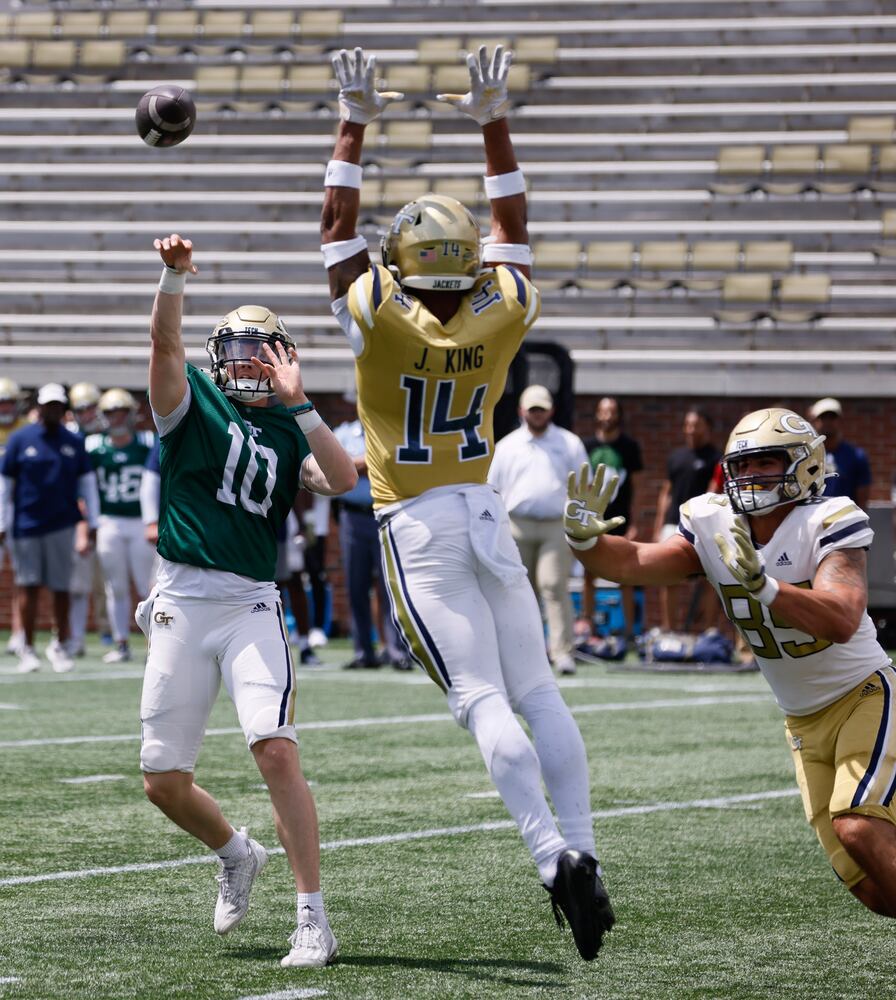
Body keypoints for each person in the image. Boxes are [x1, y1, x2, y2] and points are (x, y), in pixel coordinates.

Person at [320, 45, 614, 960]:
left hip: (416, 520)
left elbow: (336, 226)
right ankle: (589, 849)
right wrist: (493, 119)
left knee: (482, 697)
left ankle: (550, 859)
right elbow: (515, 230)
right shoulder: (502, 309)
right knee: (539, 690)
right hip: (485, 513)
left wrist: (354, 120)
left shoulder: (378, 309)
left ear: (402, 262)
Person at [565, 407, 896, 917]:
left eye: (765, 462)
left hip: (863, 695)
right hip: (802, 719)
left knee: (859, 827)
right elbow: (634, 562)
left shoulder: (830, 518)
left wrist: (764, 586)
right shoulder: (713, 519)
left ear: (805, 465)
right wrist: (585, 542)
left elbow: (841, 618)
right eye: (741, 466)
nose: (749, 476)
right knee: (872, 890)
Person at [141, 232, 357, 968]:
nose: (248, 364)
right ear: (218, 358)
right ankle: (237, 854)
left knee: (274, 748)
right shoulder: (191, 400)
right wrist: (172, 277)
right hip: (179, 599)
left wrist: (301, 407)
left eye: (263, 352)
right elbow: (164, 351)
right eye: (236, 352)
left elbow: (343, 478)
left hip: (250, 605)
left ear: (284, 358)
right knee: (163, 781)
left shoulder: (289, 424)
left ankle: (313, 919)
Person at [488, 384, 587, 675]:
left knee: (553, 586)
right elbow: (492, 489)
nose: (537, 414)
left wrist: (578, 524)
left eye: (542, 409)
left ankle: (562, 652)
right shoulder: (507, 446)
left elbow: (583, 485)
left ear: (551, 411)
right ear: (522, 411)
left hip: (556, 525)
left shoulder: (569, 443)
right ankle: (523, 654)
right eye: (532, 409)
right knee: (519, 592)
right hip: (516, 525)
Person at [0, 383, 99, 673]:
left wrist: (91, 522)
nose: (53, 410)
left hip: (61, 524)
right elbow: (5, 485)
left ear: (63, 408)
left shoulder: (73, 442)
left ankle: (61, 644)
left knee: (60, 588)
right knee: (27, 587)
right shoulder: (20, 439)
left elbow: (88, 485)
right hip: (26, 525)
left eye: (58, 405)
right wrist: (2, 521)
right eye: (48, 405)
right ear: (40, 407)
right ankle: (27, 647)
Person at [332, 397, 408, 670]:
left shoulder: (390, 433)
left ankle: (396, 651)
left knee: (390, 586)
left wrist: (358, 465)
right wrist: (369, 462)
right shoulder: (342, 434)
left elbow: (396, 467)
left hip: (385, 513)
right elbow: (337, 469)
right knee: (355, 586)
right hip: (353, 515)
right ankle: (364, 651)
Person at [86, 388, 157, 664]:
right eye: (110, 413)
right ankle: (121, 642)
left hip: (140, 522)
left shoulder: (146, 442)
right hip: (110, 521)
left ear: (131, 414)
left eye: (121, 412)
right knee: (115, 587)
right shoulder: (93, 446)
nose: (116, 418)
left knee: (147, 585)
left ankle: (157, 643)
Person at [582, 396, 644, 647]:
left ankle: (629, 632)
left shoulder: (629, 447)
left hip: (621, 519)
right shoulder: (584, 445)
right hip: (592, 517)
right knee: (589, 573)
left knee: (625, 575)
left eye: (611, 411)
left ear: (618, 415)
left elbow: (638, 487)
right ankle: (587, 627)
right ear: (596, 414)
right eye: (602, 411)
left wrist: (636, 521)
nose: (607, 415)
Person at [653, 407, 720, 631]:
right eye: (688, 425)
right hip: (673, 524)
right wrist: (658, 526)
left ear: (707, 428)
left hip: (703, 526)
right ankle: (669, 630)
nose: (691, 430)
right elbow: (667, 492)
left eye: (696, 425)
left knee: (709, 580)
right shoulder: (676, 457)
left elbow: (715, 492)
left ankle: (708, 632)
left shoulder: (715, 458)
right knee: (668, 579)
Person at [0, 378, 28, 656]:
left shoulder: (26, 431)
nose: (5, 408)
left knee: (22, 576)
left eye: (8, 402)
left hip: (20, 509)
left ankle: (19, 632)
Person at [809, 397, 872, 509]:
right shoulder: (808, 456)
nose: (827, 422)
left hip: (845, 520)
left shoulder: (857, 456)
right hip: (812, 518)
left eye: (832, 417)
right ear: (814, 421)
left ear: (840, 421)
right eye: (823, 417)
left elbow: (863, 499)